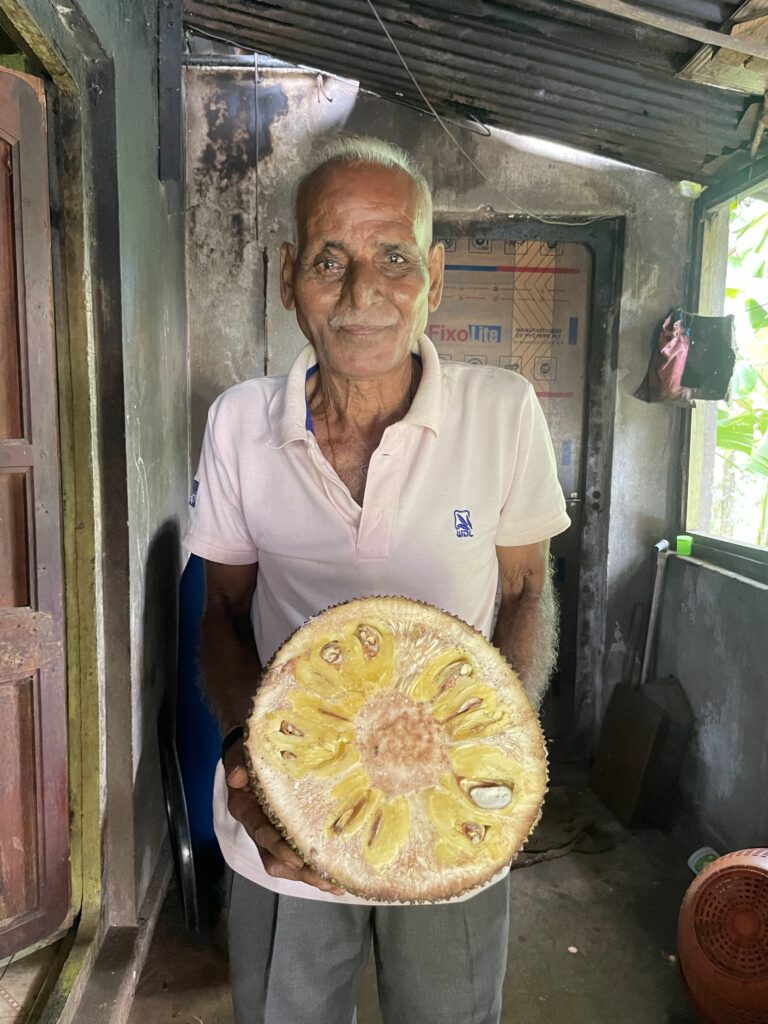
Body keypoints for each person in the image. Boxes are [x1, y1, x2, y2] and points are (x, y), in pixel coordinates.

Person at [183, 135, 570, 1024]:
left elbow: (522, 596)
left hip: (453, 821)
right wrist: (256, 774)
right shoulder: (240, 424)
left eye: (394, 258)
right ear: (289, 277)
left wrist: (491, 755)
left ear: (432, 273)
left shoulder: (503, 412)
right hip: (285, 820)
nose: (364, 295)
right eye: (330, 260)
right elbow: (226, 609)